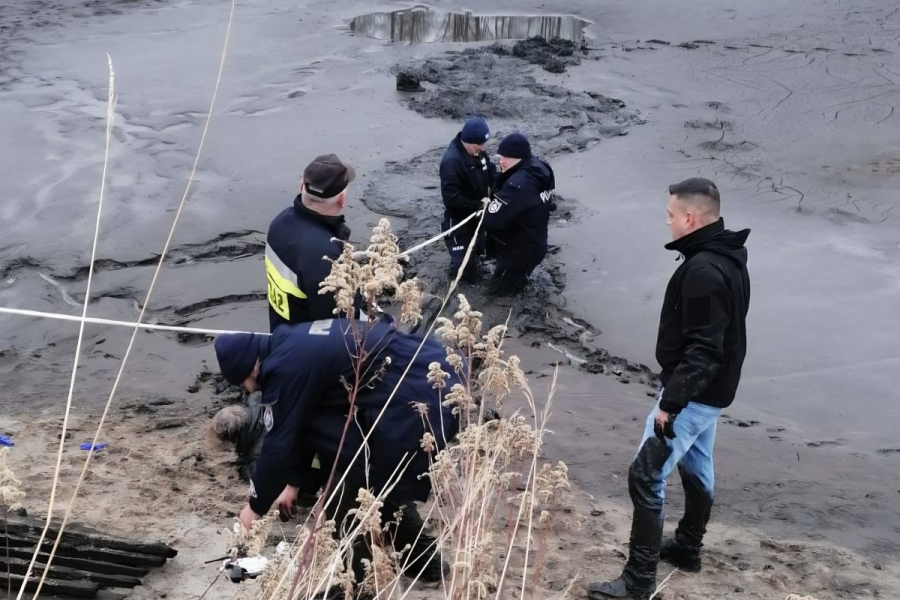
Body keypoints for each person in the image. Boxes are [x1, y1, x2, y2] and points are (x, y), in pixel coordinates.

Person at [588, 178, 751, 600]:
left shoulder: (703, 271)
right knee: (696, 465)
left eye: (671, 215)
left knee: (645, 475)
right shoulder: (727, 257)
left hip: (694, 394)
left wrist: (672, 404)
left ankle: (638, 582)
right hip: (713, 390)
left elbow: (704, 348)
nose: (668, 222)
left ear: (690, 218)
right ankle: (687, 548)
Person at [213, 315, 460, 581]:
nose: (248, 390)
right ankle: (425, 565)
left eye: (242, 383)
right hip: (416, 372)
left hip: (413, 394)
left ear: (248, 370)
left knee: (347, 494)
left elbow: (279, 444)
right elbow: (303, 423)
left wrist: (255, 507)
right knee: (368, 481)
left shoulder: (283, 368)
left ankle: (360, 585)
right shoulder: (287, 343)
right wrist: (293, 482)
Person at [266, 154, 355, 331]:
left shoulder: (279, 222)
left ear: (301, 186)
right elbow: (339, 326)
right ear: (342, 199)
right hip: (309, 344)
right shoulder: (325, 254)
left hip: (281, 331)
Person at [483, 132, 555, 296]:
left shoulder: (517, 186)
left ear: (519, 157)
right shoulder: (540, 168)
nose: (501, 161)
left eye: (506, 157)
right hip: (536, 242)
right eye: (501, 156)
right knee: (516, 279)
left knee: (500, 293)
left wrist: (484, 209)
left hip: (517, 253)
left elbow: (491, 220)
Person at [439, 116, 495, 282]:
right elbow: (450, 199)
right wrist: (478, 205)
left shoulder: (479, 152)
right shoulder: (452, 162)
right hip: (459, 222)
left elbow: (491, 174)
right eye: (480, 144)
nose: (483, 148)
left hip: (479, 217)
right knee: (462, 270)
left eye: (484, 143)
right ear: (468, 141)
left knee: (484, 253)